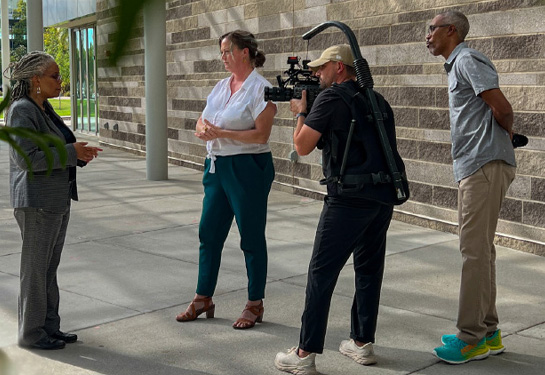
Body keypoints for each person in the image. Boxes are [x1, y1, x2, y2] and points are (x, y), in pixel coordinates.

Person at [275, 44, 406, 374]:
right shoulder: (378, 100)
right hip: (381, 198)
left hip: (347, 200)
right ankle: (362, 343)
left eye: (322, 67)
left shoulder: (333, 99)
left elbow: (302, 145)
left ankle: (304, 354)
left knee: (321, 273)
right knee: (368, 269)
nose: (317, 73)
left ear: (340, 68)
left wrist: (301, 113)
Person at [426, 10, 517, 364]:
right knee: (482, 251)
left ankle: (470, 339)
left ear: (452, 31)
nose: (427, 35)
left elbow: (503, 108)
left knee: (472, 252)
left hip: (483, 165)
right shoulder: (458, 64)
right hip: (478, 165)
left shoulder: (467, 58)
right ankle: (488, 330)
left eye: (432, 29)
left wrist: (503, 136)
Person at [175, 30, 276, 329]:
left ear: (245, 52)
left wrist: (222, 133)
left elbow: (261, 134)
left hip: (248, 168)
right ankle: (202, 297)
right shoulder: (221, 86)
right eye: (221, 52)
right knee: (209, 233)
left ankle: (254, 303)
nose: (223, 57)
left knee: (251, 237)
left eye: (227, 51)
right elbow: (202, 119)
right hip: (216, 167)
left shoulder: (261, 89)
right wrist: (202, 128)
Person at [7, 51, 102, 350]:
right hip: (36, 202)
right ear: (36, 80)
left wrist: (78, 155)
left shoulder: (43, 108)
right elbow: (26, 159)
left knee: (48, 269)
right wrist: (72, 153)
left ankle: (50, 327)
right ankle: (31, 334)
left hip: (56, 199)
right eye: (55, 76)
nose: (61, 81)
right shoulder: (22, 110)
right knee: (35, 271)